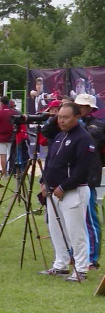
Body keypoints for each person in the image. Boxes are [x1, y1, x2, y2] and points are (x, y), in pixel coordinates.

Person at [40, 102, 96, 282]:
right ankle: (60, 264)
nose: (61, 121)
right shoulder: (58, 136)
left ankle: (80, 269)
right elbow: (49, 161)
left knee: (76, 232)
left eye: (65, 117)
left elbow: (83, 168)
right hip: (52, 191)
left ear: (77, 118)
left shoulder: (83, 138)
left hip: (74, 191)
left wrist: (64, 187)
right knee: (56, 229)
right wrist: (44, 181)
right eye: (59, 117)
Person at [72, 93, 105, 271]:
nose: (79, 108)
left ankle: (92, 258)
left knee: (89, 219)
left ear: (90, 109)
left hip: (89, 177)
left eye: (83, 106)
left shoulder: (97, 124)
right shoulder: (73, 124)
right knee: (72, 218)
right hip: (72, 176)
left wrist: (74, 122)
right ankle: (74, 254)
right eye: (77, 105)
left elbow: (91, 138)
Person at [0, 96, 15, 176]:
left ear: (1, 103)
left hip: (1, 138)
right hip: (12, 137)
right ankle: (12, 172)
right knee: (12, 155)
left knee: (3, 155)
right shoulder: (13, 113)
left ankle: (4, 174)